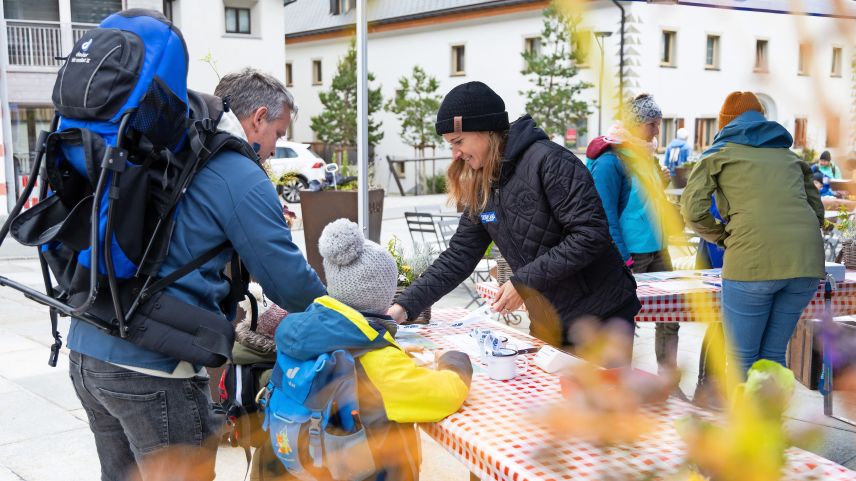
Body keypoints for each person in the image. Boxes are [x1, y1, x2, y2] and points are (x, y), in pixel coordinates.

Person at [67, 68, 327, 481]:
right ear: (258, 117)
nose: (274, 151)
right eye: (278, 134)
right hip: (152, 367)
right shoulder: (236, 171)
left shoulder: (168, 150)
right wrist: (342, 311)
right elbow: (288, 280)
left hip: (88, 348)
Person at [388, 81, 640, 358]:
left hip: (600, 315)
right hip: (550, 321)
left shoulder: (550, 161)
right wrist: (404, 307)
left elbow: (589, 235)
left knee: (601, 400)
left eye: (458, 142)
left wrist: (525, 282)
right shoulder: (484, 183)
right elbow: (459, 255)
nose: (455, 154)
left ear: (487, 130)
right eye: (450, 145)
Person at [267, 219, 472, 480]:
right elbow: (445, 395)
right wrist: (455, 361)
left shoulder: (300, 335)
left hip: (307, 469)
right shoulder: (378, 359)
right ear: (383, 298)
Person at [681, 91, 824, 376]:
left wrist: (721, 237)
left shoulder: (718, 155)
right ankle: (771, 419)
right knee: (772, 356)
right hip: (805, 262)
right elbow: (816, 213)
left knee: (741, 361)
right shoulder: (791, 158)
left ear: (725, 123)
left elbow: (692, 210)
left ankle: (746, 422)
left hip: (751, 261)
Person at [585, 94, 682, 383]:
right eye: (652, 124)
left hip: (658, 249)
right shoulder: (610, 161)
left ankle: (668, 381)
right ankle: (617, 381)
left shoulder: (647, 156)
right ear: (636, 125)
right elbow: (603, 213)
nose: (657, 131)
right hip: (631, 255)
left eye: (659, 124)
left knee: (670, 316)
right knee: (622, 321)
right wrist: (621, 255)